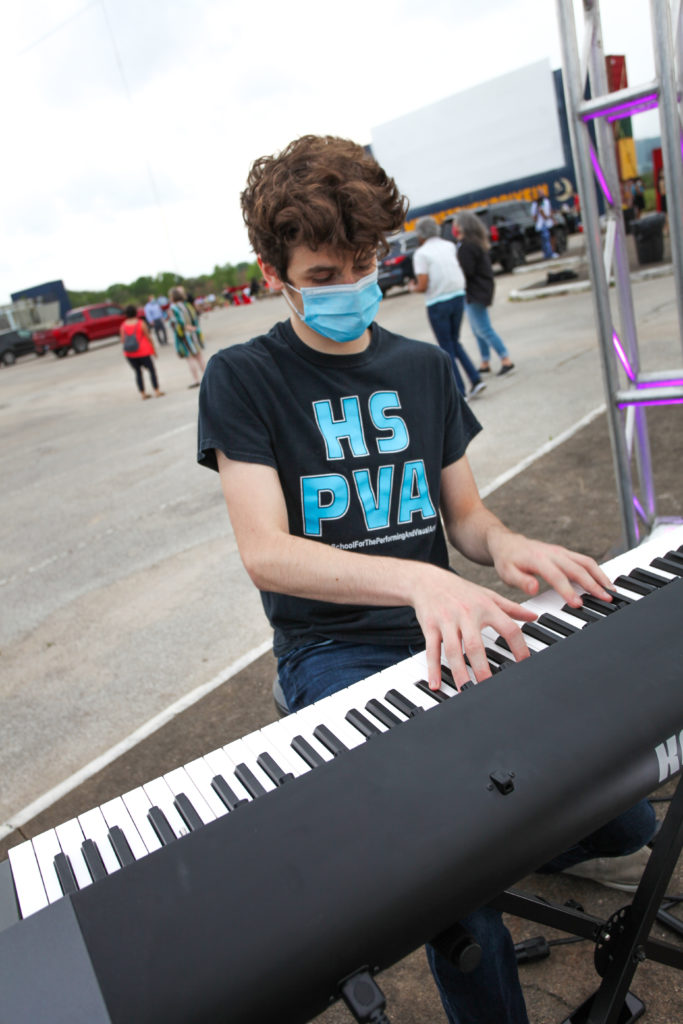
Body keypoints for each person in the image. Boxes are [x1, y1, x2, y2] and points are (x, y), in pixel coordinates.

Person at [197, 134, 655, 1024]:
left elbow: (468, 523)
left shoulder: (420, 368)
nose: (352, 286)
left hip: (450, 624)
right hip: (332, 649)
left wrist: (511, 544)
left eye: (366, 263)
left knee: (622, 817)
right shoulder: (243, 378)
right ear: (274, 274)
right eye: (325, 272)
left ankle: (511, 835)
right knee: (453, 869)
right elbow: (266, 549)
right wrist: (415, 585)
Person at [411, 215, 486, 399]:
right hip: (458, 296)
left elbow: (423, 284)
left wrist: (412, 288)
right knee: (454, 341)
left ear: (420, 235)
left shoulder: (421, 254)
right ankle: (475, 379)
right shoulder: (449, 245)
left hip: (438, 302)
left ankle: (459, 392)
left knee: (446, 349)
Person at [454, 211, 515, 376]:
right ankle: (485, 361)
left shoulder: (467, 246)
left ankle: (505, 359)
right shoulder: (473, 243)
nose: (454, 227)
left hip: (475, 292)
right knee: (477, 329)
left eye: (456, 224)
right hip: (479, 290)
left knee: (483, 328)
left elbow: (467, 271)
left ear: (463, 226)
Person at [119, 305, 164, 399]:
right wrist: (154, 350)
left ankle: (143, 393)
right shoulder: (141, 323)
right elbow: (148, 337)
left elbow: (123, 340)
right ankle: (156, 390)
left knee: (138, 372)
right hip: (143, 351)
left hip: (130, 354)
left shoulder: (123, 325)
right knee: (151, 370)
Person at [169, 285, 206, 388]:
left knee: (190, 358)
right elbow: (195, 317)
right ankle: (206, 376)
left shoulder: (174, 308)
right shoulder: (188, 305)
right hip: (194, 333)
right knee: (199, 356)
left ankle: (196, 380)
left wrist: (185, 327)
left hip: (184, 336)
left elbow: (176, 322)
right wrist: (194, 327)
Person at [530, 195, 558, 260]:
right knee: (547, 240)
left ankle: (548, 254)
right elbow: (541, 215)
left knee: (546, 240)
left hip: (543, 225)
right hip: (543, 225)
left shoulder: (545, 202)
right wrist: (547, 217)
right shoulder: (537, 205)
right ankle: (549, 254)